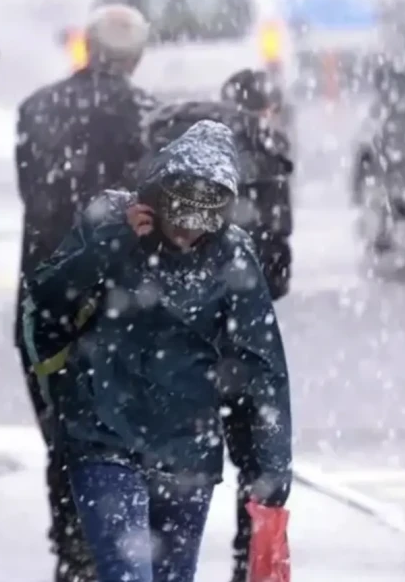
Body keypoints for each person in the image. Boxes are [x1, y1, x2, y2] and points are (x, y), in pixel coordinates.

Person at [25, 120, 293, 582]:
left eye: (201, 223)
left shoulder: (233, 254)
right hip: (103, 435)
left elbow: (260, 365)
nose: (188, 234)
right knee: (126, 572)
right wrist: (114, 241)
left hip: (186, 449)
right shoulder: (111, 219)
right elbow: (49, 299)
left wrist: (270, 471)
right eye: (179, 218)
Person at [14, 3, 155, 582]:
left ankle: (72, 546)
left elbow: (34, 193)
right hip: (119, 297)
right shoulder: (146, 116)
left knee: (61, 429)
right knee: (120, 436)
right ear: (136, 56)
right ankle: (111, 548)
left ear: (86, 47)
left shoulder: (36, 109)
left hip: (44, 294)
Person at [142, 68, 295, 582]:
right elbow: (279, 248)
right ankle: (246, 553)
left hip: (181, 333)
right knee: (255, 455)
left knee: (178, 459)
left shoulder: (172, 141)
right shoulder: (267, 148)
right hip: (239, 328)